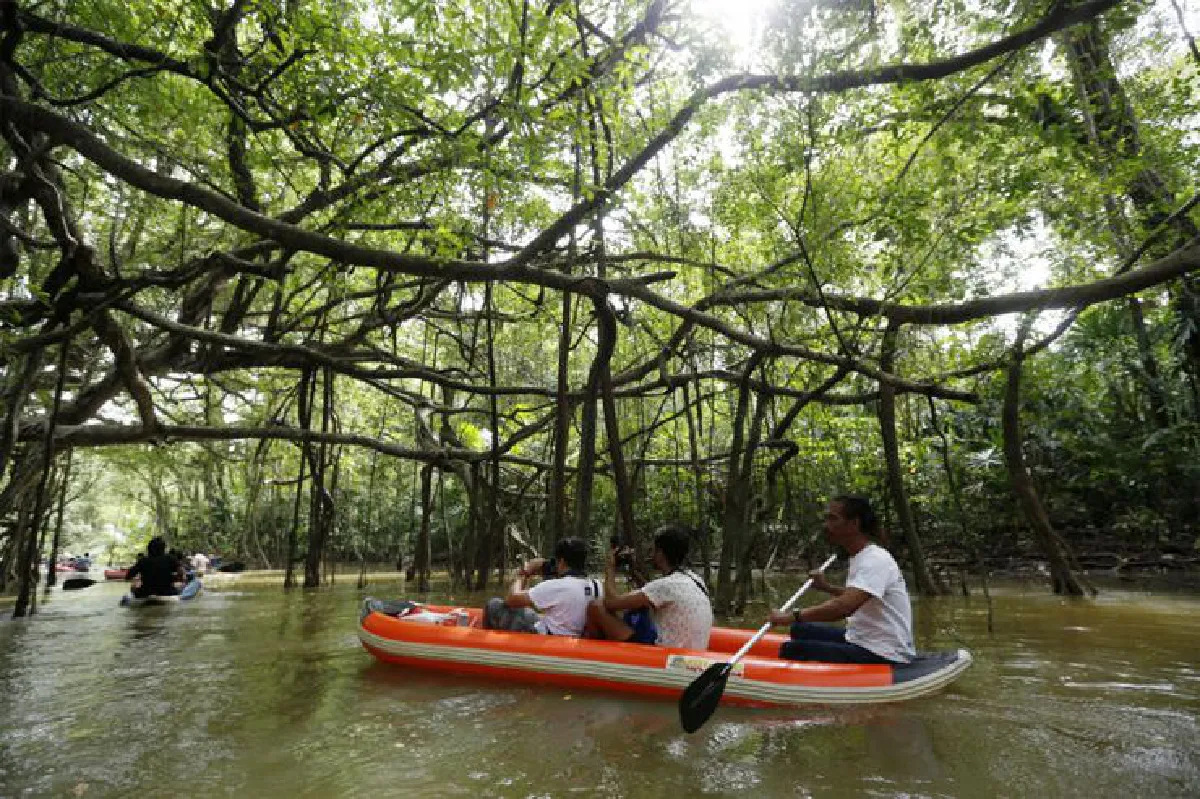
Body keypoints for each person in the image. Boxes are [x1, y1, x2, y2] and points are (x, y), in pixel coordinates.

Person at [769, 495, 915, 665]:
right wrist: (826, 587)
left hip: (882, 651)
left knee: (792, 649)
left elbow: (843, 608)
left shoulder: (875, 560)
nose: (827, 525)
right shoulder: (860, 556)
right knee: (799, 629)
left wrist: (790, 616)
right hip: (860, 638)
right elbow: (859, 595)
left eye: (833, 519)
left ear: (854, 524)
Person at [587, 523, 713, 650]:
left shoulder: (666, 585)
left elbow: (611, 602)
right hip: (694, 653)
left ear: (660, 553)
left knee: (596, 607)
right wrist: (632, 570)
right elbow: (649, 593)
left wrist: (610, 567)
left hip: (664, 655)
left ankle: (594, 654)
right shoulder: (696, 580)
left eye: (653, 550)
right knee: (633, 611)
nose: (651, 555)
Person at [482, 537, 601, 636]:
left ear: (562, 562)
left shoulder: (557, 586)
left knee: (494, 604)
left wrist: (524, 572)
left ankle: (489, 645)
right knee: (528, 611)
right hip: (575, 637)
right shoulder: (597, 585)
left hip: (549, 638)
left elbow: (511, 599)